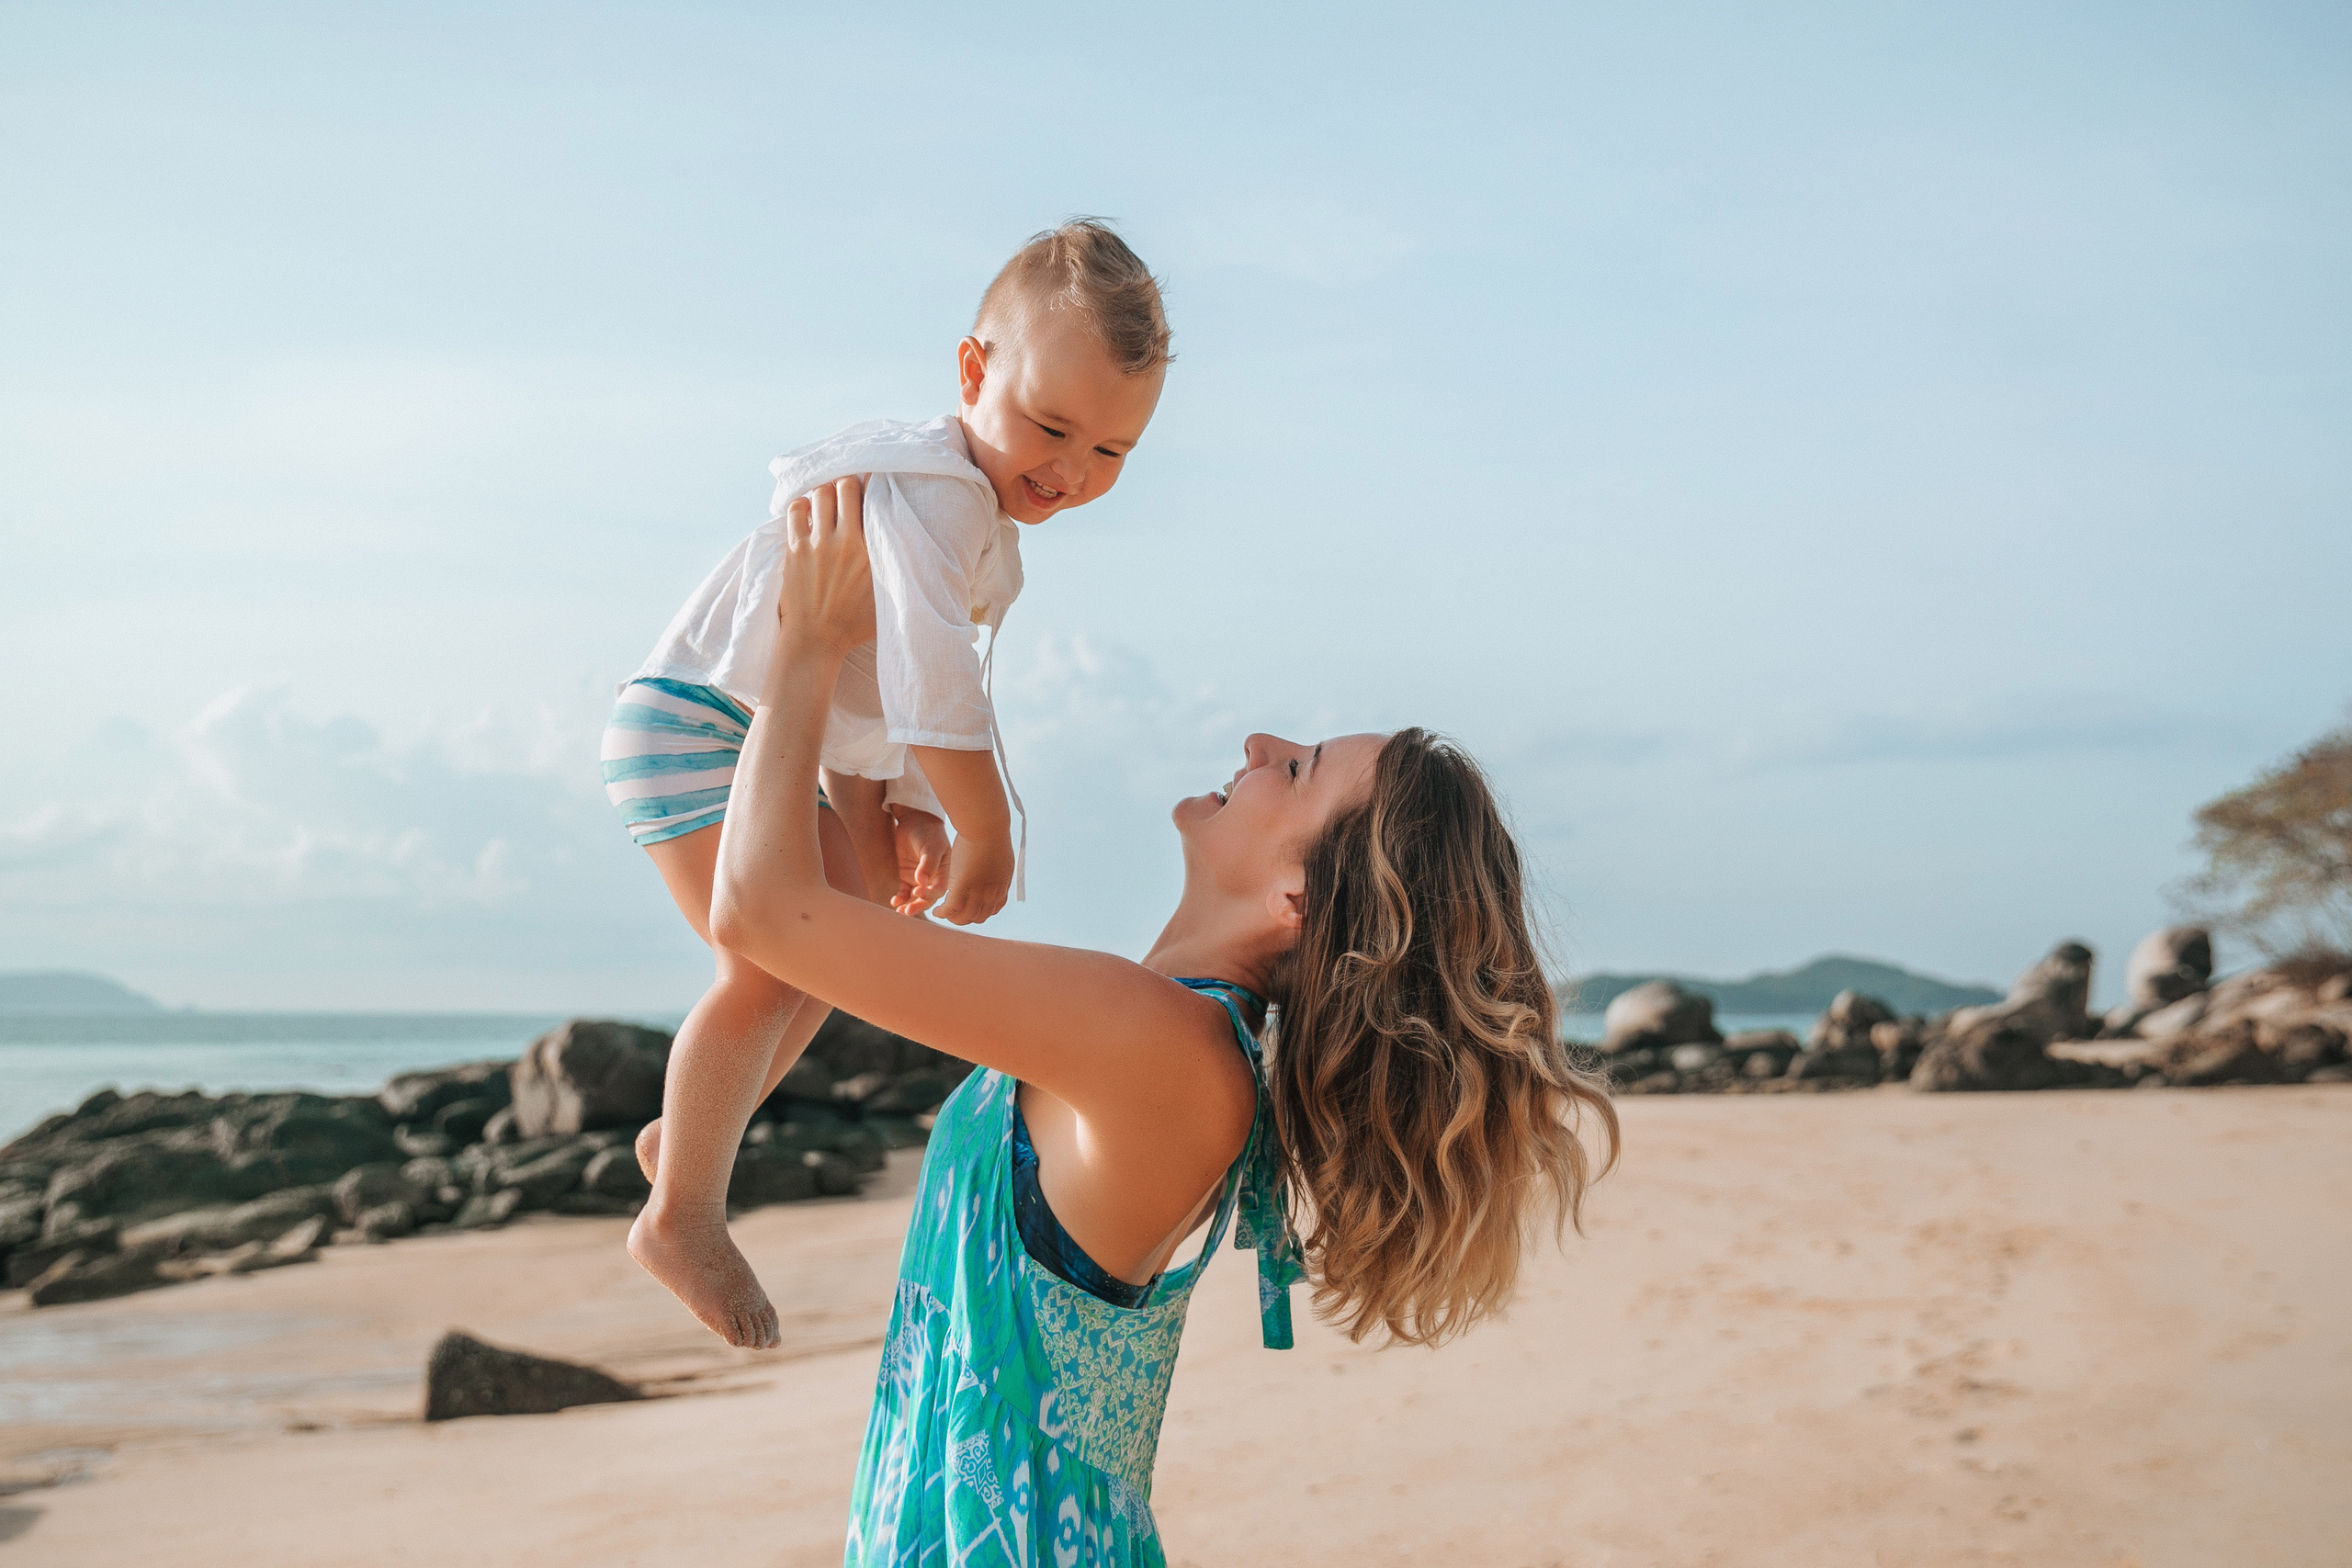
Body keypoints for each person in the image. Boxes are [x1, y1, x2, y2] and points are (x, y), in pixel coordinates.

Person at [710, 479, 1620, 1564]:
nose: (1257, 740)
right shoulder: (1175, 1042)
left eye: (1294, 768)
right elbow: (811, 929)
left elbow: (764, 914)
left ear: (1299, 897)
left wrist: (806, 649)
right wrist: (875, 793)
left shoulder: (1160, 1044)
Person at [605, 221, 1172, 1347]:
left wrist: (902, 800)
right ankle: (681, 1214)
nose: (1068, 472)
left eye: (1111, 454)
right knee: (773, 968)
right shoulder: (946, 494)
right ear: (974, 372)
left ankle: (690, 1142)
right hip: (704, 725)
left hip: (789, 735)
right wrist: (981, 819)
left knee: (836, 944)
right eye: (1050, 427)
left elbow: (881, 681)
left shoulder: (973, 500)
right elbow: (930, 667)